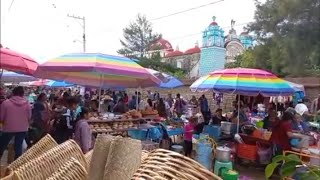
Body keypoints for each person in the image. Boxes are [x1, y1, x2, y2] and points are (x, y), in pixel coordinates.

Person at [0, 86, 31, 159]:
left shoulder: (5, 103)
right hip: (22, 128)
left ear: (13, 93)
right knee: (18, 146)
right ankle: (15, 166)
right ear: (22, 94)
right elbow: (29, 116)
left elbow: (1, 117)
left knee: (2, 145)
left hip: (8, 128)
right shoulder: (27, 103)